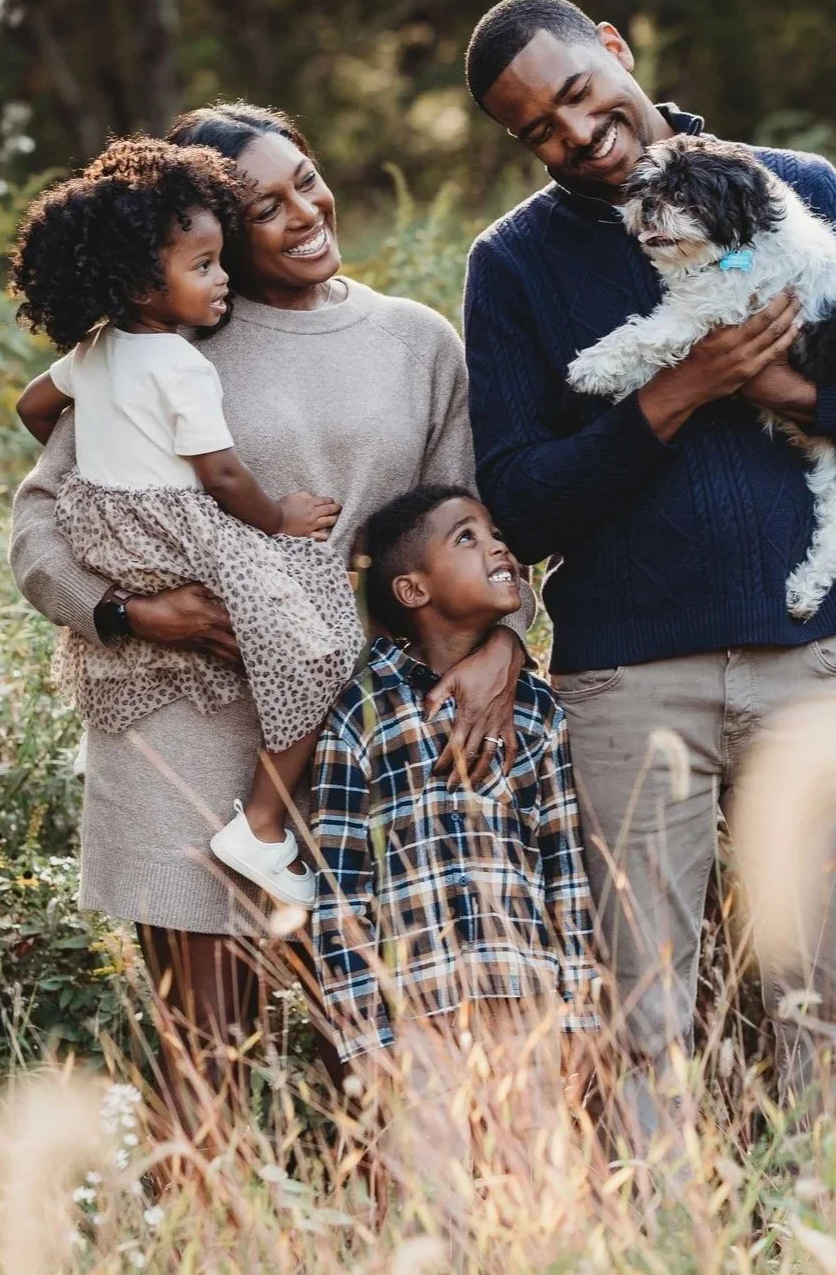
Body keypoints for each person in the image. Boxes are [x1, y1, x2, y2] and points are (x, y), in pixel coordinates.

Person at [457, 0, 836, 1157]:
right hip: (627, 682)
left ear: (614, 47)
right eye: (536, 130)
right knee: (642, 1018)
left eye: (576, 93)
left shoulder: (797, 187)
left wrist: (794, 392)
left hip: (813, 664)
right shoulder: (512, 265)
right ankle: (664, 1233)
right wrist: (673, 395)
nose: (574, 134)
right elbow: (518, 504)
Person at [8, 104, 532, 1133]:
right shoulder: (159, 339)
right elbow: (40, 520)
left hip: (359, 731)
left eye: (308, 178)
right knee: (205, 1058)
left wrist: (504, 645)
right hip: (179, 728)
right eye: (264, 206)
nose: (305, 212)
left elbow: (469, 524)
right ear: (202, 227)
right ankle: (203, 1216)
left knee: (385, 1052)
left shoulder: (413, 341)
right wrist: (127, 611)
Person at [10, 136, 360, 910]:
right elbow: (222, 475)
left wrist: (107, 465)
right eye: (204, 266)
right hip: (182, 533)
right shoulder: (181, 365)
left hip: (106, 528)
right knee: (321, 648)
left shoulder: (96, 350)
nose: (222, 278)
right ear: (143, 285)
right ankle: (262, 826)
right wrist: (281, 521)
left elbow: (34, 407)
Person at [309, 485, 600, 1223]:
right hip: (417, 1013)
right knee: (432, 1215)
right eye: (466, 537)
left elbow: (565, 870)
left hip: (526, 1003)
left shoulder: (535, 709)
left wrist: (579, 1012)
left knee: (534, 1210)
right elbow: (340, 894)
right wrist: (364, 1035)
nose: (499, 545)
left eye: (495, 531)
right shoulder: (363, 711)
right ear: (414, 589)